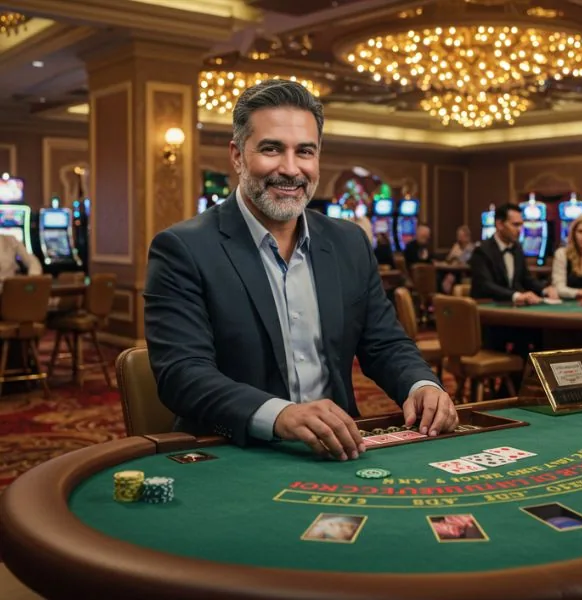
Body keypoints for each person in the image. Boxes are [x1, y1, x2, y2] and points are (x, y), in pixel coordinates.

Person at [144, 80, 458, 461]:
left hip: (340, 449)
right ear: (238, 156)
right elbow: (184, 375)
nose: (290, 169)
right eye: (272, 149)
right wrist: (281, 416)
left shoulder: (349, 243)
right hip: (231, 453)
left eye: (304, 152)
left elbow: (385, 344)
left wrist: (420, 385)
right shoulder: (183, 248)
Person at [469, 203, 556, 304]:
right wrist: (516, 296)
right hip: (487, 306)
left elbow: (526, 279)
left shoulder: (517, 248)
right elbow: (486, 285)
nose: (520, 230)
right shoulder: (482, 250)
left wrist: (545, 290)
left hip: (512, 307)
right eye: (515, 225)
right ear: (499, 224)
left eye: (521, 225)